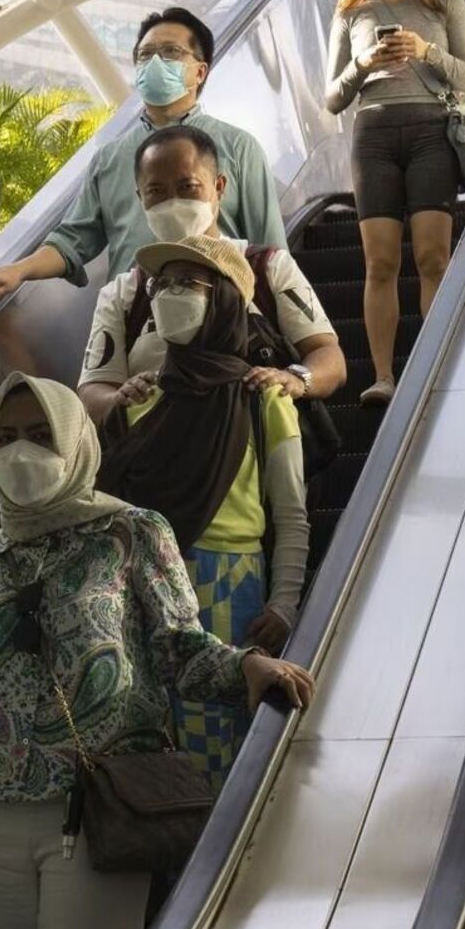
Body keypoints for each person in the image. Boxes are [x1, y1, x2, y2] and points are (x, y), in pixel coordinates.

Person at [0, 373, 315, 929]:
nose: (21, 450)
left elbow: (179, 646)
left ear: (74, 441)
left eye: (42, 435)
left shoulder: (132, 532)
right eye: (7, 437)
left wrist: (245, 666)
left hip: (98, 807)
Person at [96, 235, 309, 786]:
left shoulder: (264, 399)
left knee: (221, 752)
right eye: (161, 283)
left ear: (227, 302)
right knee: (154, 748)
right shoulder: (143, 400)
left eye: (187, 283)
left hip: (231, 588)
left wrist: (284, 604)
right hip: (140, 595)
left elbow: (291, 515)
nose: (168, 294)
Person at [0, 8, 286, 300]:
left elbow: (271, 253)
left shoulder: (237, 148)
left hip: (219, 317)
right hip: (133, 320)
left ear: (200, 72)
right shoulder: (110, 158)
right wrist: (20, 270)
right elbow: (73, 240)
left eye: (171, 52)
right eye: (145, 56)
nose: (155, 62)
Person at [80, 124, 346, 425]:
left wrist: (296, 380)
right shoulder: (123, 294)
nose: (172, 202)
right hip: (157, 459)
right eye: (156, 191)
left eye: (187, 186)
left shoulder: (268, 268)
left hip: (263, 450)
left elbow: (328, 355)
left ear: (219, 186)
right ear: (140, 198)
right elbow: (93, 389)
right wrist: (118, 399)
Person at [324, 0, 465, 407]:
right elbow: (332, 98)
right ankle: (384, 377)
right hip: (373, 134)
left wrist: (426, 51)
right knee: (380, 261)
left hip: (431, 130)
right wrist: (364, 62)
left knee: (434, 255)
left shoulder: (445, 2)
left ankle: (435, 365)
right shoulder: (352, 12)